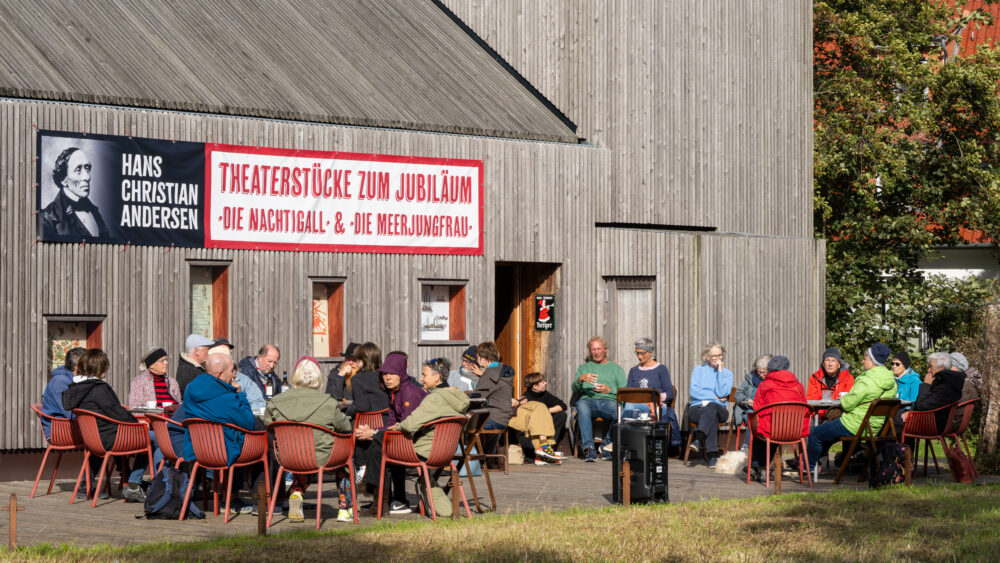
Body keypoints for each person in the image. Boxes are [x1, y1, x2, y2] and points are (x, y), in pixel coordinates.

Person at [265, 356, 354, 523]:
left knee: (305, 455)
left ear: (295, 377)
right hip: (321, 456)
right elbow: (345, 428)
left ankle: (296, 493)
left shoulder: (275, 402)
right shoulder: (328, 402)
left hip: (288, 456)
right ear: (318, 378)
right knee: (346, 459)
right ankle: (345, 508)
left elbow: (269, 424)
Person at [62, 349, 149, 502]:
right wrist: (138, 425)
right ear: (100, 368)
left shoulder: (75, 388)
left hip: (92, 439)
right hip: (110, 439)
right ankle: (135, 485)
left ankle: (88, 486)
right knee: (155, 439)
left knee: (103, 446)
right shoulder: (99, 388)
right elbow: (118, 413)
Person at [395, 356, 471, 517]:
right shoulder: (457, 398)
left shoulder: (435, 398)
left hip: (426, 451)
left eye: (424, 375)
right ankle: (446, 511)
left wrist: (397, 426)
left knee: (385, 449)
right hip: (448, 452)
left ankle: (391, 502)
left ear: (436, 377)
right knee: (425, 478)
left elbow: (408, 425)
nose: (421, 379)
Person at [805, 343, 897, 474]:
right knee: (827, 430)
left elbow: (848, 403)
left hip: (854, 424)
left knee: (815, 434)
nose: (863, 361)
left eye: (866, 358)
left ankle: (807, 468)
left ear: (873, 362)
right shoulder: (891, 382)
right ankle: (837, 462)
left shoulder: (867, 380)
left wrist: (842, 399)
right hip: (874, 426)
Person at [357, 352, 426, 515]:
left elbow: (406, 427)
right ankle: (387, 500)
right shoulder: (394, 393)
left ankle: (379, 501)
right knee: (379, 442)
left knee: (381, 444)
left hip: (418, 443)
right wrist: (373, 432)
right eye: (385, 374)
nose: (387, 377)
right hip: (404, 441)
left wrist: (374, 433)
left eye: (392, 373)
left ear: (401, 373)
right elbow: (391, 424)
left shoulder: (409, 393)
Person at [746, 356, 808, 481]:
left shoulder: (765, 385)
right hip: (795, 431)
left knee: (762, 429)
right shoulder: (798, 385)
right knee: (773, 428)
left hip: (772, 430)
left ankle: (759, 466)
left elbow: (757, 407)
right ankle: (761, 467)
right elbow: (804, 406)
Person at [571, 337, 627, 462]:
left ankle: (606, 446)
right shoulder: (584, 368)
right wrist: (580, 379)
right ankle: (589, 448)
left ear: (605, 350)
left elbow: (624, 392)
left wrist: (610, 390)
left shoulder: (616, 369)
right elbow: (575, 389)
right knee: (581, 405)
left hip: (609, 401)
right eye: (593, 349)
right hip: (588, 400)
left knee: (621, 413)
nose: (596, 352)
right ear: (590, 351)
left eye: (599, 349)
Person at [39, 147, 109, 239]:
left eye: (87, 168)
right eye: (78, 170)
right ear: (63, 179)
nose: (87, 177)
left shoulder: (94, 211)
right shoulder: (46, 219)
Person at [623, 337, 681, 447]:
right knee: (631, 408)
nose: (639, 356)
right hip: (637, 405)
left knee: (631, 409)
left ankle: (628, 444)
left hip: (656, 407)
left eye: (642, 353)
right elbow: (628, 393)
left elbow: (670, 393)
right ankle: (633, 446)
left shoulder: (661, 369)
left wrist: (657, 397)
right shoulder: (634, 371)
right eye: (637, 353)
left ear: (650, 352)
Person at [687, 342, 734, 468]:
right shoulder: (698, 370)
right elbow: (694, 392)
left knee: (712, 407)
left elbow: (722, 392)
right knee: (711, 413)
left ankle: (698, 438)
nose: (717, 359)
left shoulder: (727, 374)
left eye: (719, 355)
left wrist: (720, 372)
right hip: (697, 408)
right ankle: (712, 455)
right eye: (713, 356)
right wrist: (714, 397)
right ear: (707, 356)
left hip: (720, 409)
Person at [509, 372, 566, 464]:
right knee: (538, 415)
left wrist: (545, 412)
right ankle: (543, 448)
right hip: (531, 432)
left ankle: (547, 448)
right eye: (543, 382)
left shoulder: (545, 394)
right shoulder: (526, 398)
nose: (546, 383)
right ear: (535, 386)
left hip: (544, 426)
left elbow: (562, 406)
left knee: (562, 415)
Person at [905, 352, 965, 434]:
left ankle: (899, 446)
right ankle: (904, 446)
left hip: (933, 425)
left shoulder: (945, 384)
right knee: (901, 415)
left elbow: (922, 406)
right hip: (934, 421)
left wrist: (926, 385)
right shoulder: (952, 381)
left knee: (893, 418)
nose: (929, 370)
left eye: (931, 367)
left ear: (942, 367)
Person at [40, 347, 86, 439]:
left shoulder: (72, 379)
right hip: (59, 430)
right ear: (78, 367)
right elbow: (69, 413)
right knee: (104, 433)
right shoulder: (60, 382)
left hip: (71, 426)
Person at [472, 342, 515, 433]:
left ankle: (471, 448)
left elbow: (478, 397)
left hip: (493, 417)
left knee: (461, 426)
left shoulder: (490, 373)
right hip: (504, 417)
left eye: (477, 357)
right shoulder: (500, 368)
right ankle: (489, 448)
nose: (476, 360)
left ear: (483, 358)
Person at [734, 354, 771, 451]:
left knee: (761, 418)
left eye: (764, 373)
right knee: (753, 417)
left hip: (766, 411)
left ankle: (753, 449)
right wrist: (747, 401)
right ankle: (747, 447)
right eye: (759, 372)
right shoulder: (750, 378)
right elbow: (738, 394)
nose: (761, 375)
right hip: (750, 409)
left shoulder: (773, 381)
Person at [806, 347, 855, 419]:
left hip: (840, 418)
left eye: (833, 361)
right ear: (823, 363)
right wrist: (822, 418)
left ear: (839, 364)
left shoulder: (848, 379)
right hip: (819, 418)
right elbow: (811, 401)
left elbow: (849, 403)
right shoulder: (814, 378)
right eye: (827, 360)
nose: (830, 364)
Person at [235, 344, 281, 411]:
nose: (272, 366)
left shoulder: (272, 375)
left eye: (275, 363)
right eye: (269, 361)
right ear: (260, 358)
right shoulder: (245, 374)